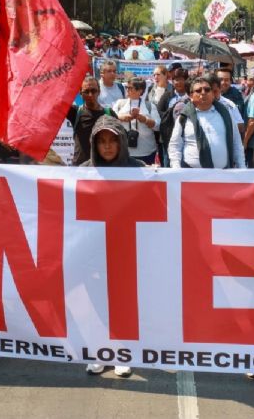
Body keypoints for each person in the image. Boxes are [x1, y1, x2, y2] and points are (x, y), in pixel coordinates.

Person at [80, 115, 142, 377]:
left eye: (112, 141)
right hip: (93, 250)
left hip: (126, 249)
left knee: (122, 302)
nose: (106, 146)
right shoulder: (82, 170)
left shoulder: (139, 169)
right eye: (101, 141)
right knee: (96, 301)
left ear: (122, 144)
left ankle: (121, 350)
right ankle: (100, 350)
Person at [168, 77, 246, 169]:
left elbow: (236, 143)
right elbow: (175, 145)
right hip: (191, 177)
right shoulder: (184, 117)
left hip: (223, 176)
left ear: (212, 94)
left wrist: (242, 168)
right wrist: (176, 169)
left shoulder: (226, 114)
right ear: (191, 96)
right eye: (198, 90)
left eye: (207, 89)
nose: (203, 92)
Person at [67, 77, 117, 166]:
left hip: (104, 167)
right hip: (80, 168)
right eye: (86, 91)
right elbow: (56, 102)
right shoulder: (75, 112)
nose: (90, 95)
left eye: (94, 91)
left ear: (99, 91)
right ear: (80, 93)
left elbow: (121, 140)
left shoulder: (109, 113)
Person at [112, 76, 160, 165]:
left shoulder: (149, 106)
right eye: (126, 87)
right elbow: (111, 120)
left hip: (146, 152)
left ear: (140, 91)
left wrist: (144, 119)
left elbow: (157, 126)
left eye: (130, 88)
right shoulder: (120, 103)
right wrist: (121, 118)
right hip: (124, 151)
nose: (127, 90)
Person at [157, 69, 190, 166]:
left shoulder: (191, 96)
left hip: (186, 136)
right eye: (176, 79)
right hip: (168, 136)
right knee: (168, 163)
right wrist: (171, 116)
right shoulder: (167, 95)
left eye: (182, 79)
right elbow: (159, 112)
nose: (179, 82)